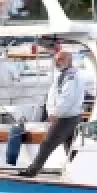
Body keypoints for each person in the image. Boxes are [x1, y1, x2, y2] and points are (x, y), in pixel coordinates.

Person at [19, 48, 86, 177]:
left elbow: (67, 98)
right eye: (56, 60)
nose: (57, 62)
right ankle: (79, 173)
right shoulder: (64, 75)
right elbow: (54, 96)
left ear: (69, 60)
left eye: (60, 59)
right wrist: (51, 111)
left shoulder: (71, 77)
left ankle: (32, 171)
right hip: (69, 116)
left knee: (47, 144)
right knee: (71, 147)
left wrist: (55, 113)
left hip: (65, 118)